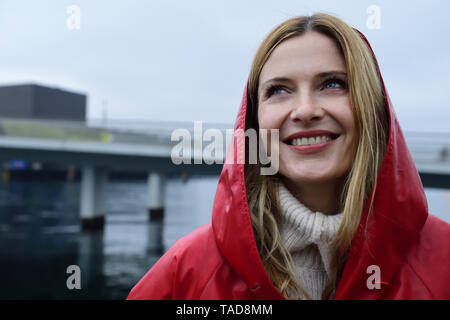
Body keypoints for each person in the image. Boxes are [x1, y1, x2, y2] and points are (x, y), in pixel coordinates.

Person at [127, 13, 450, 300]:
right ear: (254, 121)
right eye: (279, 90)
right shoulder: (186, 272)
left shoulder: (443, 260)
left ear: (373, 107)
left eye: (333, 84)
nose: (306, 110)